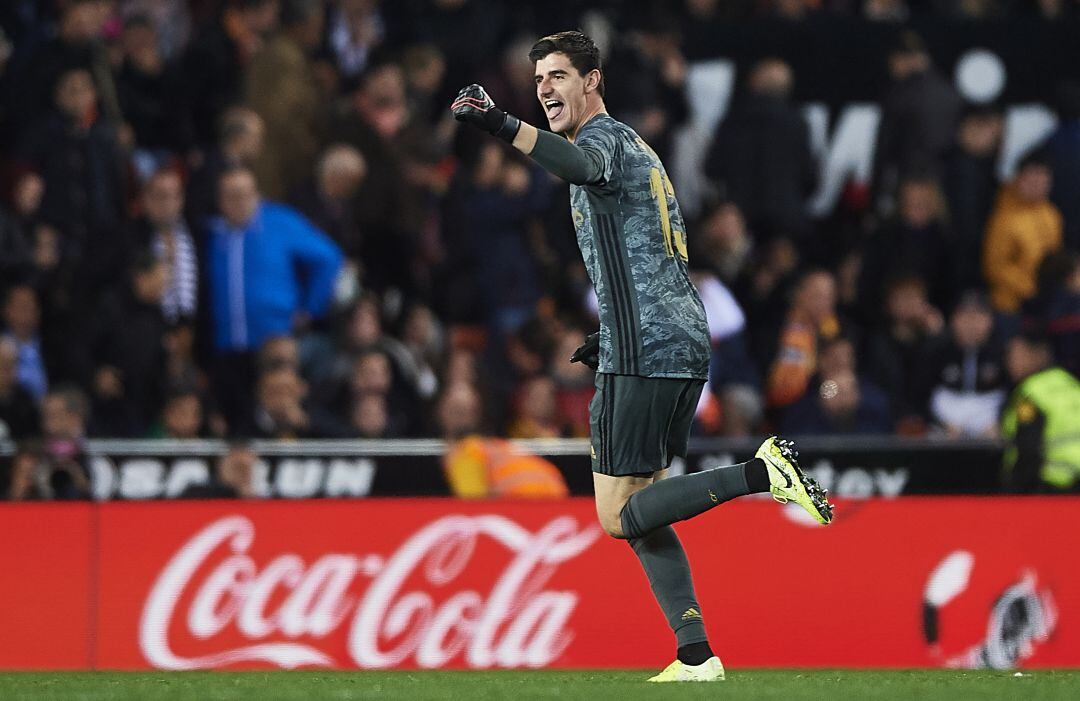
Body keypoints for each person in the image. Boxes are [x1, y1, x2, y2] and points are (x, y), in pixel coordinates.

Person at [451, 30, 832, 683]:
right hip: (673, 336)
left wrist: (498, 121)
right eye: (539, 78)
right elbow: (652, 245)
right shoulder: (636, 148)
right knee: (644, 505)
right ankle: (695, 653)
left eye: (560, 75)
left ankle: (762, 474)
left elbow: (578, 168)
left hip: (646, 347)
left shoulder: (599, 143)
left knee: (618, 513)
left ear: (592, 82)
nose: (546, 88)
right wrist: (612, 328)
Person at [205, 165, 343, 431]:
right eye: (231, 196)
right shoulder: (213, 233)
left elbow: (328, 258)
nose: (239, 202)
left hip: (273, 349)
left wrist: (310, 308)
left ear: (256, 195)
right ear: (220, 201)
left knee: (277, 417)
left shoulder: (279, 221)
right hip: (227, 351)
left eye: (244, 194)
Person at [983, 152, 1063, 314]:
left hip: (1046, 302)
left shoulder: (1051, 214)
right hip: (1010, 306)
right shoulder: (1004, 218)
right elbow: (995, 267)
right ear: (1018, 179)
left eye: (1042, 181)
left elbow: (1056, 255)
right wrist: (1030, 289)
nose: (1037, 186)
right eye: (1031, 180)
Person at [1001, 332, 1080, 492]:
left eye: (1015, 354)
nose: (1009, 362)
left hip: (1052, 486)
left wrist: (1017, 489)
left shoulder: (1031, 393)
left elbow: (1028, 447)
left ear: (1035, 356)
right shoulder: (1071, 384)